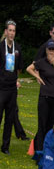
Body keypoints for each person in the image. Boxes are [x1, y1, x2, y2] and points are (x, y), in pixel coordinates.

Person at [26, 40, 54, 155]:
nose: (51, 52)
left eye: (53, 49)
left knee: (50, 126)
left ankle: (47, 150)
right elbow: (29, 68)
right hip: (44, 97)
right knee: (42, 125)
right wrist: (37, 76)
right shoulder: (41, 62)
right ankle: (38, 151)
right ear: (46, 50)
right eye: (49, 49)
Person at [0, 20, 23, 155]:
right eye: (9, 30)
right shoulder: (0, 47)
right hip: (1, 88)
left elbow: (19, 69)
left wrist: (15, 79)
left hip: (12, 89)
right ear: (5, 31)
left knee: (10, 118)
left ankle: (5, 146)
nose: (11, 33)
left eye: (13, 31)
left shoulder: (17, 48)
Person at [34, 22, 54, 113]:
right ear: (50, 33)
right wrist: (38, 77)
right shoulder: (44, 47)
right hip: (47, 88)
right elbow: (35, 63)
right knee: (45, 116)